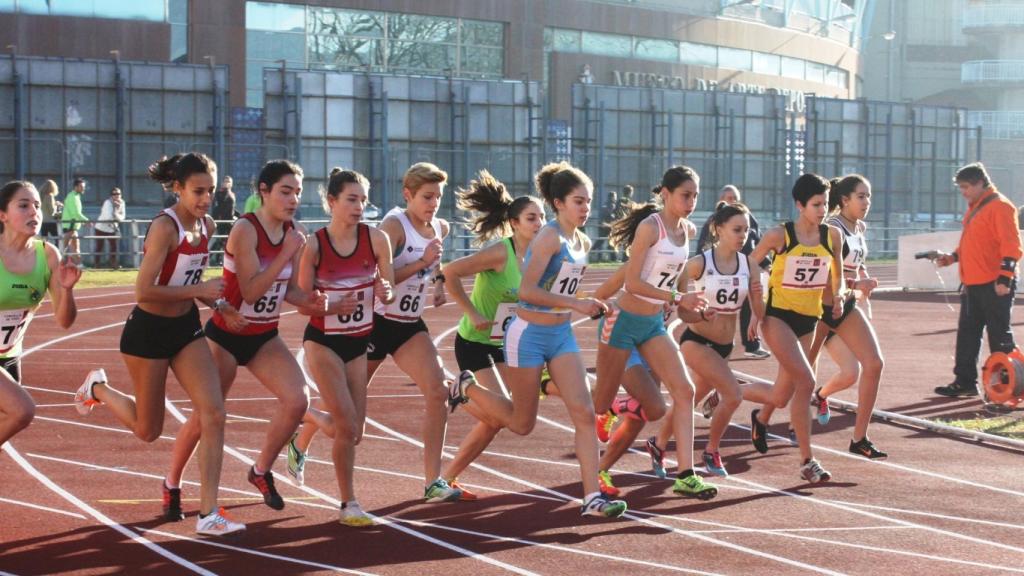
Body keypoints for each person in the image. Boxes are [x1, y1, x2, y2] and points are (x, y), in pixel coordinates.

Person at [73, 152, 245, 536]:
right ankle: (97, 388)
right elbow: (144, 290)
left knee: (214, 412)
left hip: (185, 329)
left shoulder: (209, 224)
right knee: (148, 430)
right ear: (178, 188)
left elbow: (193, 281)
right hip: (148, 331)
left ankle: (209, 513)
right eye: (198, 191)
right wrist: (201, 288)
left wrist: (218, 304)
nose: (205, 199)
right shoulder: (165, 228)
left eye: (211, 191)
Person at [449, 161, 628, 518]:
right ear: (558, 203)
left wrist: (591, 304)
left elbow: (564, 286)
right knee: (521, 423)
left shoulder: (583, 240)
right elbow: (528, 291)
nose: (586, 208)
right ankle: (466, 387)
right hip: (527, 335)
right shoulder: (548, 237)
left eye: (589, 201)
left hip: (560, 335)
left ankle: (592, 497)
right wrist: (576, 303)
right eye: (579, 201)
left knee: (585, 411)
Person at [162, 160, 329, 522]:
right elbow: (252, 292)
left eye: (298, 192)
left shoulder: (294, 232)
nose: (293, 199)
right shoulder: (246, 230)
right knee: (206, 416)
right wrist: (287, 250)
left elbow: (290, 292)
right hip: (226, 334)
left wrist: (314, 301)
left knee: (298, 399)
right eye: (286, 191)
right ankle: (172, 482)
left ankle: (260, 469)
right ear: (264, 192)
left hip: (263, 336)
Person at [591, 166, 717, 500]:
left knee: (683, 392)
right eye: (684, 195)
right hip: (622, 324)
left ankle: (686, 475)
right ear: (666, 193)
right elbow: (632, 282)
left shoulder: (687, 232)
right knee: (598, 402)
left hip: (651, 326)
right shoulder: (650, 228)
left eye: (695, 195)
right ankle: (564, 388)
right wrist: (677, 297)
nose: (691, 202)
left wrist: (698, 311)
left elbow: (679, 292)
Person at [290, 167, 395, 527]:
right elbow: (301, 301)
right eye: (351, 199)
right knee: (347, 424)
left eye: (363, 200)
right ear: (332, 201)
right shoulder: (315, 244)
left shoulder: (376, 239)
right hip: (323, 342)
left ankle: (310, 418)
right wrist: (328, 306)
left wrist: (385, 291)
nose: (359, 206)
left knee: (354, 432)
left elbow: (388, 285)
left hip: (358, 342)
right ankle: (348, 503)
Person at [438, 170, 545, 499]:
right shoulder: (502, 253)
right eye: (532, 217)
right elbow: (450, 272)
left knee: (500, 418)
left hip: (508, 344)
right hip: (475, 343)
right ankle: (464, 385)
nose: (539, 223)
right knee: (511, 418)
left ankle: (446, 479)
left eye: (543, 216)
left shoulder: (542, 257)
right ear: (514, 223)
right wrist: (472, 312)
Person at [368, 162, 460, 502]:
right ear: (407, 194)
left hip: (409, 325)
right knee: (349, 405)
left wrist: (436, 282)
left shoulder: (440, 226)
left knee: (438, 393)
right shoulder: (394, 226)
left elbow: (436, 254)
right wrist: (423, 265)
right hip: (377, 322)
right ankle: (300, 441)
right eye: (426, 196)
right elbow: (384, 279)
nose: (433, 203)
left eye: (437, 196)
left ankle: (433, 481)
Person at [747, 174, 844, 483]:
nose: (822, 210)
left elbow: (836, 273)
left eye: (826, 204)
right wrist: (755, 309)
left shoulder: (832, 237)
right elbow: (750, 264)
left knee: (781, 393)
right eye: (816, 205)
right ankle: (807, 461)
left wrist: (838, 297)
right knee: (806, 380)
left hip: (809, 320)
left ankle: (757, 416)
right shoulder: (780, 236)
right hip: (777, 318)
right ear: (800, 205)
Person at [0, 181, 82, 446]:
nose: (34, 212)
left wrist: (67, 290)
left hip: (10, 358)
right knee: (22, 410)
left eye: (37, 206)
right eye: (23, 206)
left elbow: (64, 320)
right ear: (3, 215)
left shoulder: (47, 255)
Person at [934, 163, 1022, 397]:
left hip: (995, 283)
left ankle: (1010, 384)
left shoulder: (1001, 207)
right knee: (967, 335)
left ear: (981, 183)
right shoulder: (977, 207)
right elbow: (973, 242)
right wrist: (952, 257)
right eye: (961, 187)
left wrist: (1005, 278)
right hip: (973, 284)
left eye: (966, 187)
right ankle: (965, 382)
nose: (963, 192)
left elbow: (1012, 246)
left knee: (999, 335)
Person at [697, 185, 771, 359]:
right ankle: (707, 341)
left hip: (743, 273)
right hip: (718, 275)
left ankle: (752, 344)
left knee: (749, 307)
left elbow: (758, 243)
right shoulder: (713, 222)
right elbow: (703, 246)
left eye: (734, 197)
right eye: (728, 197)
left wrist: (766, 265)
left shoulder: (749, 219)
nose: (732, 200)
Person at [94, 187, 126, 268]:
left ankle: (113, 263)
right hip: (101, 227)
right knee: (99, 246)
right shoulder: (107, 203)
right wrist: (116, 211)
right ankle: (96, 264)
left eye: (118, 194)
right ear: (111, 196)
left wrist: (117, 212)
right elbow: (108, 217)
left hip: (112, 228)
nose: (117, 196)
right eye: (114, 194)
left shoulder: (122, 203)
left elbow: (122, 217)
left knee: (114, 246)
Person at [211, 175, 237, 265]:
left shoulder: (232, 194)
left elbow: (232, 208)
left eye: (228, 181)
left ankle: (220, 260)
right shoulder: (219, 193)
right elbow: (217, 207)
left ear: (231, 184)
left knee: (227, 241)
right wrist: (216, 219)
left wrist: (238, 216)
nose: (226, 183)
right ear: (222, 183)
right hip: (222, 221)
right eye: (225, 181)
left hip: (230, 221)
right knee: (220, 240)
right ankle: (212, 258)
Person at [61, 178, 87, 257]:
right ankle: (63, 263)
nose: (83, 188)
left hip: (72, 225)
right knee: (68, 248)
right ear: (75, 187)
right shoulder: (73, 197)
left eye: (83, 187)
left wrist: (82, 221)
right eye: (81, 186)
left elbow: (75, 213)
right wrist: (86, 220)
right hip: (70, 225)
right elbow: (75, 213)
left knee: (73, 247)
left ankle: (77, 264)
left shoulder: (75, 196)